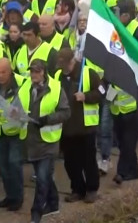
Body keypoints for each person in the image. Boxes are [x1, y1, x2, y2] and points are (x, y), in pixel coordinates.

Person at [19, 59, 70, 223]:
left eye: (37, 71)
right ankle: (54, 203)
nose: (34, 74)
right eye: (32, 71)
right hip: (31, 141)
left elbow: (66, 112)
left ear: (44, 72)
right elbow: (18, 105)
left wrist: (47, 119)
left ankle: (37, 211)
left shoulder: (56, 88)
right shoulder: (25, 86)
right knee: (45, 177)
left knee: (41, 178)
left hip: (49, 141)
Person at [54, 47, 101, 202]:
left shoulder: (88, 73)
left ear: (72, 61)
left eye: (65, 65)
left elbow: (102, 91)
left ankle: (92, 189)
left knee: (88, 161)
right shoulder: (58, 76)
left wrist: (86, 96)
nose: (63, 69)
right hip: (66, 128)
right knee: (70, 162)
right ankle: (77, 189)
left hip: (85, 128)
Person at [0, 58, 25, 212]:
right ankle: (10, 196)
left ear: (10, 71)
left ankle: (17, 198)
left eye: (3, 72)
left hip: (15, 132)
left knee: (14, 164)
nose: (0, 75)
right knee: (3, 168)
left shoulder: (21, 84)